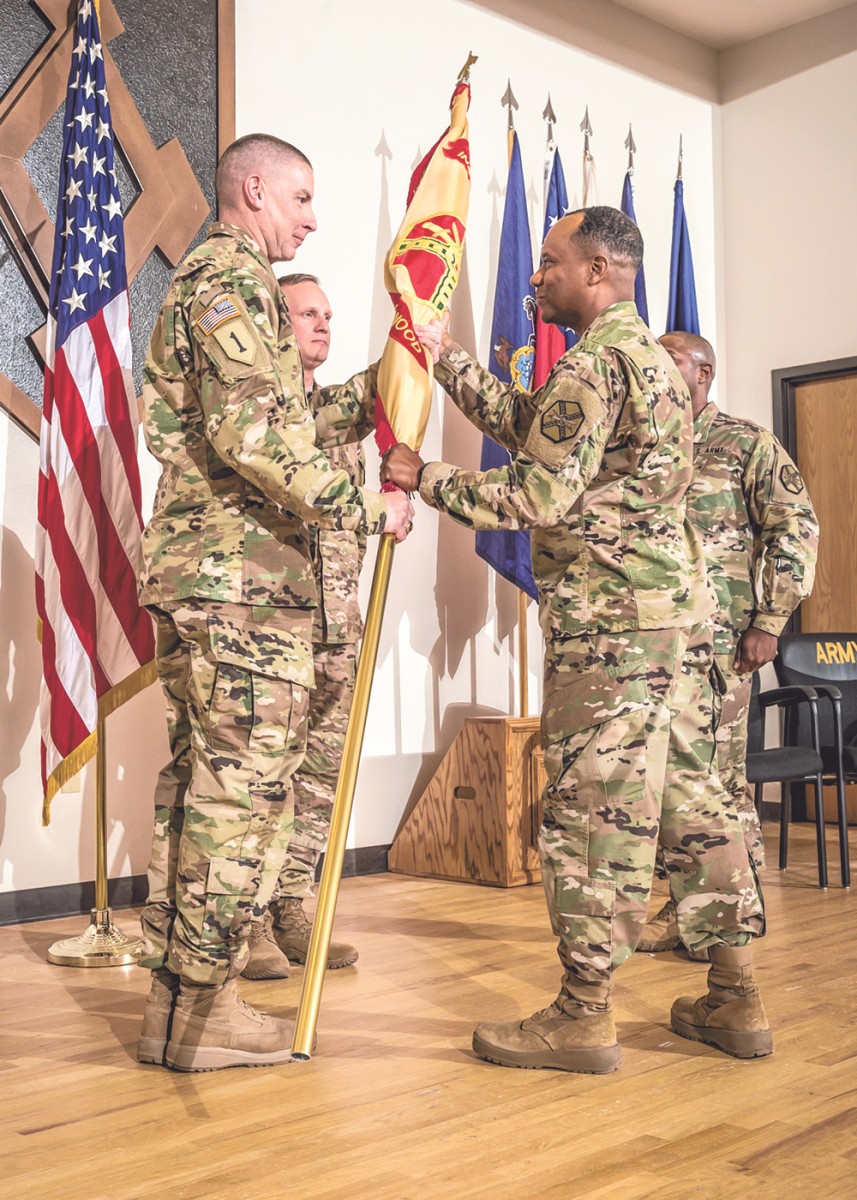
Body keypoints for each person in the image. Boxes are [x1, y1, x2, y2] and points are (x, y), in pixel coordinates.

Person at [382, 207, 769, 1073]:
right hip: (672, 620)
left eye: (548, 262)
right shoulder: (655, 366)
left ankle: (583, 1014)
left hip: (610, 630)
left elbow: (537, 497)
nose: (535, 276)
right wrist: (445, 358)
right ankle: (734, 994)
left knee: (597, 808)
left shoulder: (594, 366)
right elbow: (543, 429)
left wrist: (427, 478)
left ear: (596, 269)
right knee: (694, 803)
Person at [136, 134, 413, 1072]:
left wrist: (390, 384)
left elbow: (282, 413)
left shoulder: (228, 283)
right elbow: (255, 430)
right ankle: (202, 1014)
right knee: (235, 804)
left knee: (213, 798)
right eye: (300, 196)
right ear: (252, 188)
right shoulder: (230, 281)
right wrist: (362, 503)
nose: (312, 215)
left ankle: (177, 1011)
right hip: (241, 586)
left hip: (227, 582)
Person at [639, 331, 819, 954]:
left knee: (718, 784)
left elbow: (794, 529)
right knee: (670, 784)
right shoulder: (646, 443)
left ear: (703, 371)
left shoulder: (745, 443)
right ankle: (688, 910)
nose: (654, 374)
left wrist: (770, 622)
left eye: (668, 364)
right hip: (653, 649)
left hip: (722, 651)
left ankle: (732, 927)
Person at [242, 273, 374, 979]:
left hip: (337, 629)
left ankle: (294, 906)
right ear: (272, 319)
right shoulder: (258, 411)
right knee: (262, 778)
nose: (321, 325)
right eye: (305, 313)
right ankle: (250, 919)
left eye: (327, 313)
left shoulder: (341, 416)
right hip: (276, 627)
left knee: (318, 782)